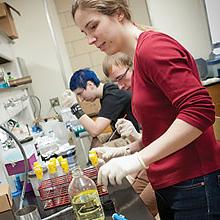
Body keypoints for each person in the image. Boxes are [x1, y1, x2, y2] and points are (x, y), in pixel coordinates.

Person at [71, 1, 220, 219]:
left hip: (194, 181)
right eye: (84, 32)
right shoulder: (139, 57)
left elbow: (199, 110)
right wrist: (126, 151)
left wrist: (139, 160)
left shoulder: (152, 48)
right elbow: (164, 126)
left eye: (93, 26)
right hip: (173, 181)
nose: (90, 39)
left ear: (118, 13)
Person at [61, 68, 139, 147]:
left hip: (135, 138)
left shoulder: (112, 96)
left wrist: (75, 107)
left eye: (80, 93)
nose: (81, 99)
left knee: (97, 152)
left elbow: (95, 130)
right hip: (124, 134)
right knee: (95, 141)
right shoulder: (107, 92)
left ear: (90, 85)